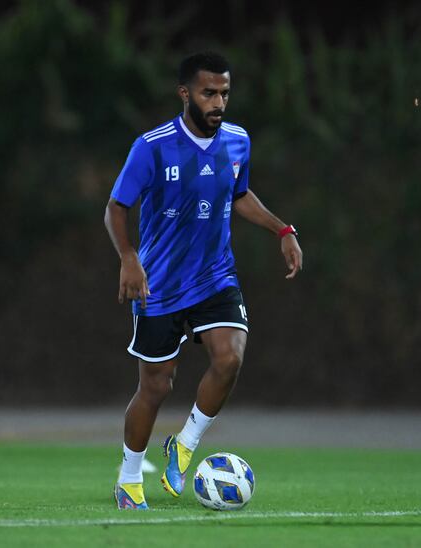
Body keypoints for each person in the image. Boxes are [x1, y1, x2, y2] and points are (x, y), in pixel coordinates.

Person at [104, 51, 303, 510]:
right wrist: (129, 257)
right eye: (208, 92)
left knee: (230, 357)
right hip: (159, 286)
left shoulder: (237, 141)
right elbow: (116, 207)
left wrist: (283, 230)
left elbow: (239, 194)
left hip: (215, 277)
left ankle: (185, 443)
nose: (218, 102)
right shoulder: (152, 146)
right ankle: (129, 478)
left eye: (225, 93)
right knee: (156, 386)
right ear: (185, 94)